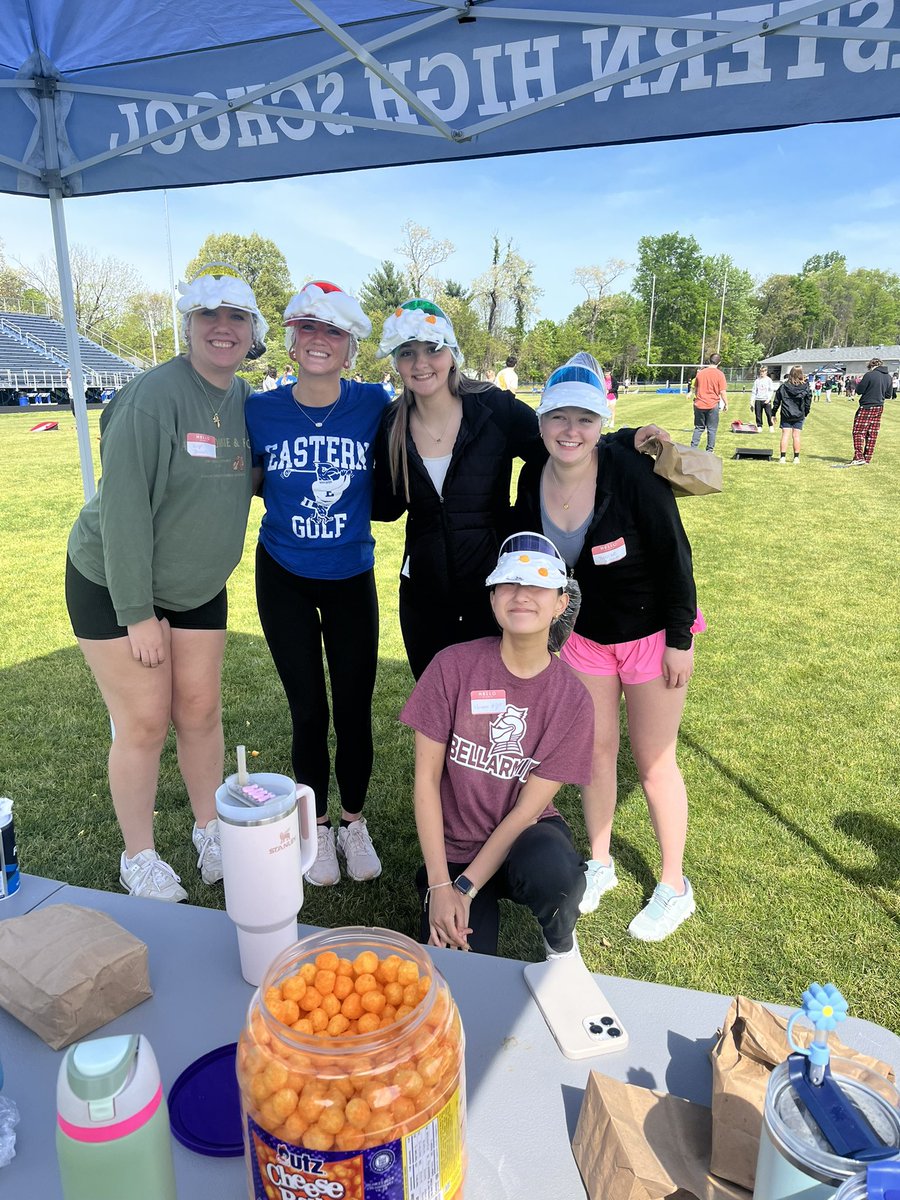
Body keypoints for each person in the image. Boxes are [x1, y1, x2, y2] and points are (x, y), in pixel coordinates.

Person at [65, 266, 268, 901]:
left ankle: (211, 831)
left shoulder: (243, 400)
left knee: (202, 711)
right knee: (146, 721)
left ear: (253, 332)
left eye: (236, 317)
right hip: (115, 581)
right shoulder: (154, 397)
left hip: (197, 586)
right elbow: (123, 510)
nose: (222, 329)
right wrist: (136, 614)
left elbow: (247, 473)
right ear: (188, 325)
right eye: (209, 316)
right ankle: (140, 857)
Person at [372, 300, 662, 682]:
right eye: (407, 352)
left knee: (495, 701)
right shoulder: (392, 422)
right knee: (437, 701)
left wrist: (624, 439)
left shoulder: (493, 407)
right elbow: (389, 505)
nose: (421, 363)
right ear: (395, 360)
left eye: (432, 349)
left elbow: (560, 441)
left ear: (452, 353)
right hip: (424, 595)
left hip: (495, 586)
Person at [513, 353, 699, 942]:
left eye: (585, 419)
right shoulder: (531, 477)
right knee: (593, 754)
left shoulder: (630, 473)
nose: (571, 431)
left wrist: (678, 639)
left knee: (652, 762)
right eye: (559, 417)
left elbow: (676, 555)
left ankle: (674, 884)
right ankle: (600, 864)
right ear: (541, 423)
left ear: (601, 423)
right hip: (585, 640)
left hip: (651, 638)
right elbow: (535, 559)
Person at [245, 282, 388, 887]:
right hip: (284, 574)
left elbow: (450, 412)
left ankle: (354, 823)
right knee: (309, 710)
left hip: (351, 574)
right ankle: (318, 825)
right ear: (292, 339)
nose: (320, 340)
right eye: (309, 328)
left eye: (334, 331)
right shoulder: (260, 409)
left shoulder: (376, 403)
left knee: (354, 709)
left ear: (351, 346)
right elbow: (246, 478)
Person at [400, 533, 593, 957]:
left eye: (538, 585)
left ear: (561, 602)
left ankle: (561, 945)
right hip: (453, 848)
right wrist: (441, 885)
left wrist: (466, 889)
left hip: (525, 838)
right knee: (458, 973)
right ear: (492, 599)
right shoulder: (451, 667)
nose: (521, 595)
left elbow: (527, 810)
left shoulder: (573, 699)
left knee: (555, 875)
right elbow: (426, 783)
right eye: (509, 583)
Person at [835, 357, 892, 467]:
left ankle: (858, 457)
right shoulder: (888, 377)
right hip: (879, 406)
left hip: (867, 406)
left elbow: (860, 390)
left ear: (871, 366)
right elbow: (888, 395)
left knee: (858, 431)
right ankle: (867, 457)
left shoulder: (869, 375)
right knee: (872, 432)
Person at [772, 366, 812, 464]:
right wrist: (805, 412)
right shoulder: (805, 387)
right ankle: (796, 458)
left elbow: (777, 401)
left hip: (786, 414)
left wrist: (773, 413)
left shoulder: (784, 386)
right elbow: (808, 401)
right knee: (796, 436)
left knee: (785, 435)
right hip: (799, 414)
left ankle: (782, 457)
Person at [689, 353, 727, 452]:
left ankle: (693, 449)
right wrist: (726, 403)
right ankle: (709, 451)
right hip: (712, 404)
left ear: (709, 360)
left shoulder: (700, 373)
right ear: (719, 362)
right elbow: (722, 391)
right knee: (712, 429)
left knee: (698, 428)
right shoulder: (720, 374)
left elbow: (696, 388)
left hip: (699, 404)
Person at [750, 366, 775, 431]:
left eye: (763, 371)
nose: (762, 373)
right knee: (758, 414)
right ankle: (759, 426)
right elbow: (754, 392)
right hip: (758, 399)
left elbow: (771, 390)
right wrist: (752, 402)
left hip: (766, 400)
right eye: (761, 371)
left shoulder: (769, 380)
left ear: (766, 372)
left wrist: (768, 399)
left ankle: (771, 426)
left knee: (769, 414)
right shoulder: (757, 381)